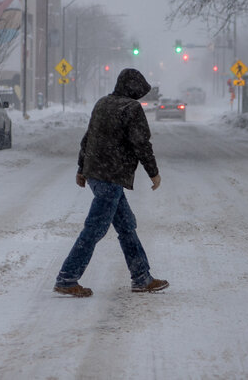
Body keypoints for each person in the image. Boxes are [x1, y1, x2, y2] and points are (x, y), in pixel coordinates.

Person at [54, 68, 169, 297]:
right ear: (133, 88)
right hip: (111, 176)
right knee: (95, 229)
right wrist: (153, 172)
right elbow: (141, 144)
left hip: (97, 175)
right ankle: (67, 278)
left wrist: (82, 168)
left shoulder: (102, 103)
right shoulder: (131, 109)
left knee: (127, 226)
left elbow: (89, 137)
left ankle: (141, 277)